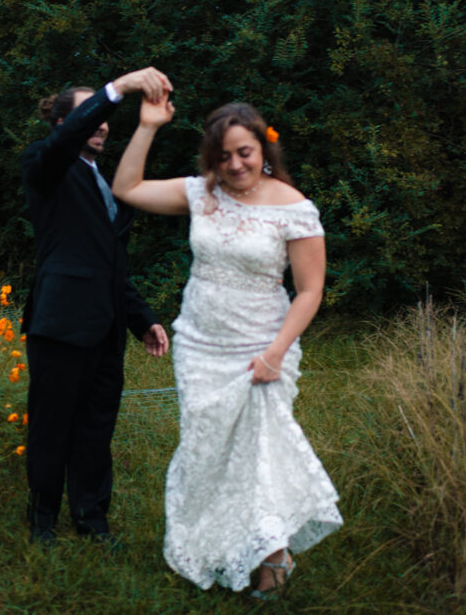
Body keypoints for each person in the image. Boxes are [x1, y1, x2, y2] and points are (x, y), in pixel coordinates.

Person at [112, 96, 343, 598]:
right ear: (211, 159)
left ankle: (273, 562)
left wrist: (275, 353)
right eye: (224, 156)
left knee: (259, 451)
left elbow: (309, 291)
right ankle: (223, 546)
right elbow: (126, 187)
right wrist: (149, 125)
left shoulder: (294, 208)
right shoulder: (200, 194)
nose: (236, 164)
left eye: (245, 152)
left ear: (263, 149)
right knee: (208, 451)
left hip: (262, 346)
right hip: (199, 345)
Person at [20, 67, 172, 545]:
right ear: (68, 124)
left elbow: (110, 263)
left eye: (106, 117)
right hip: (60, 323)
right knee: (52, 424)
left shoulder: (107, 184)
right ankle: (42, 518)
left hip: (105, 328)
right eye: (91, 117)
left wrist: (141, 319)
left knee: (95, 427)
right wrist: (117, 91)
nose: (103, 125)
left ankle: (92, 519)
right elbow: (64, 143)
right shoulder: (47, 166)